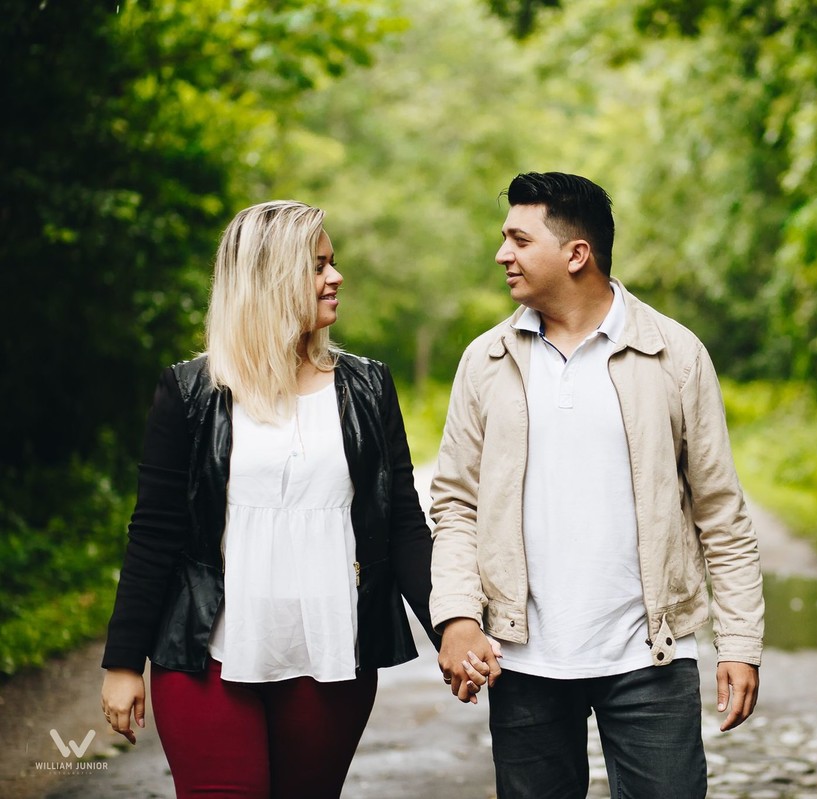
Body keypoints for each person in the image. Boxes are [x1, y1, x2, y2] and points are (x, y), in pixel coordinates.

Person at [99, 200, 473, 798]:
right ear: (270, 281)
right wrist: (123, 662)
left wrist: (451, 624)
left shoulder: (367, 386)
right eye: (318, 266)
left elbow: (401, 522)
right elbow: (154, 532)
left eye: (333, 262)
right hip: (207, 656)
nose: (336, 277)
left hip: (328, 652)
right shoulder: (191, 391)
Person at [429, 172, 765, 798]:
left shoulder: (675, 354)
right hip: (523, 662)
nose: (503, 254)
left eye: (519, 240)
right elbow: (455, 504)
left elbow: (721, 513)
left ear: (576, 254)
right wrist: (455, 617)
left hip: (649, 659)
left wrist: (740, 643)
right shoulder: (486, 361)